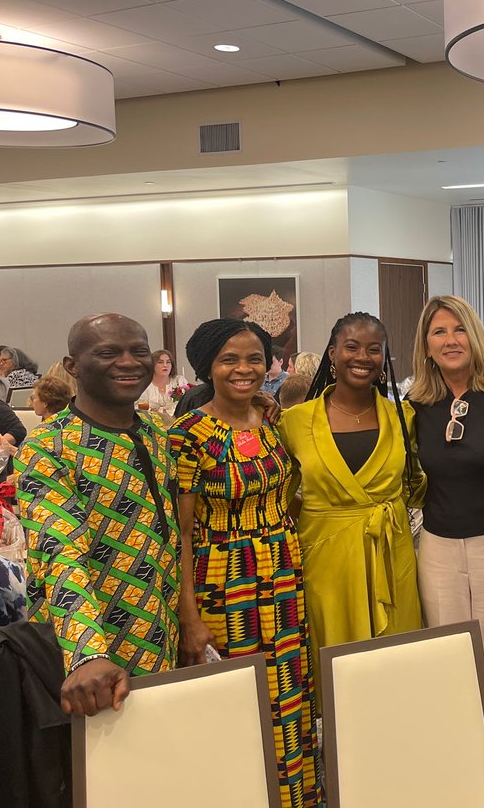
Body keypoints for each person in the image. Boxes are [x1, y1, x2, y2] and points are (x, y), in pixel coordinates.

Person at [170, 319, 320, 808]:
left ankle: (296, 798)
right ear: (207, 368)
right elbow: (183, 534)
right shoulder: (189, 435)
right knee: (239, 699)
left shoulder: (270, 418)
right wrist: (189, 617)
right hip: (223, 582)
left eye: (255, 358)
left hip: (282, 576)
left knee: (289, 696)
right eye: (229, 359)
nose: (244, 369)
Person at [15, 313, 180, 716]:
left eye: (139, 351)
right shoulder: (48, 445)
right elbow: (58, 552)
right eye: (108, 353)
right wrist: (87, 654)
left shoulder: (156, 433)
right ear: (72, 366)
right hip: (95, 651)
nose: (128, 362)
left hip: (166, 626)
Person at [407, 295, 484, 794]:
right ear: (426, 346)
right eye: (439, 332)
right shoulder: (415, 406)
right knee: (451, 672)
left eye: (458, 329)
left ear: (474, 335)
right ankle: (459, 785)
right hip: (436, 548)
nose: (450, 340)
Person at [277, 312, 425, 694]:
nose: (363, 357)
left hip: (391, 556)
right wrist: (322, 518)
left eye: (374, 349)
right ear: (332, 353)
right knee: (336, 667)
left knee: (397, 668)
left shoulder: (402, 417)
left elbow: (416, 487)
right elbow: (278, 493)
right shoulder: (296, 421)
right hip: (327, 561)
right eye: (352, 347)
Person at [141, 348, 188, 416]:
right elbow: (141, 409)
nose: (165, 365)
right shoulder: (144, 384)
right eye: (160, 362)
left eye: (168, 362)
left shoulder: (179, 381)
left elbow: (188, 404)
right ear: (152, 365)